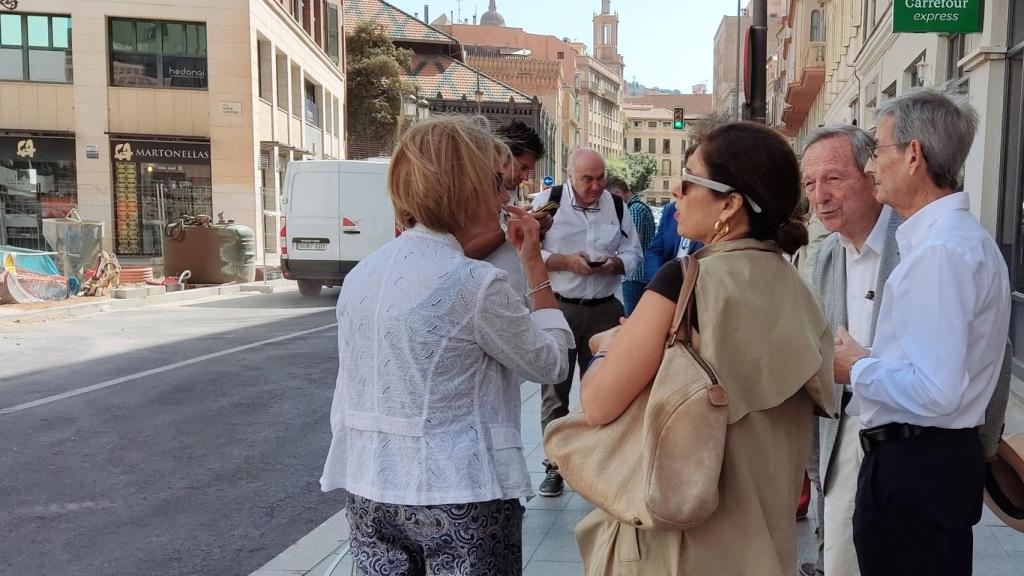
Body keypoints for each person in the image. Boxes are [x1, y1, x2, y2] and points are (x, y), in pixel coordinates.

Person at [576, 122, 835, 575]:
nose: (676, 188)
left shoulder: (685, 283)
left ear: (730, 204)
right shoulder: (800, 292)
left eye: (690, 178)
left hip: (679, 546)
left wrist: (607, 347)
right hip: (764, 550)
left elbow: (597, 404)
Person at [320, 116, 574, 575]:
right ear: (469, 188)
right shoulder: (474, 283)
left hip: (370, 486)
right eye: (498, 182)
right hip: (461, 491)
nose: (507, 195)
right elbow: (552, 363)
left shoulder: (362, 275)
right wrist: (534, 265)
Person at [833, 89, 1011, 576]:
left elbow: (936, 391)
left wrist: (857, 367)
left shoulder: (942, 252)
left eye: (877, 149)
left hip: (915, 469)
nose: (870, 166)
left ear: (913, 155)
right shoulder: (951, 242)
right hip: (926, 466)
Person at [801, 125, 900, 576]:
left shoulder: (918, 244)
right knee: (841, 558)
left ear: (871, 176)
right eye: (809, 183)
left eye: (833, 179)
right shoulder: (823, 258)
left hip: (914, 441)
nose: (819, 196)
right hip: (846, 431)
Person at [531, 148, 642, 497]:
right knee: (556, 392)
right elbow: (525, 248)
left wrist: (614, 264)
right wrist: (564, 261)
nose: (596, 186)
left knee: (607, 390)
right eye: (587, 179)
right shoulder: (550, 201)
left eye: (600, 178)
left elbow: (635, 255)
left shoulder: (618, 206)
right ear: (570, 176)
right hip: (562, 308)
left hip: (606, 310)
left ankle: (602, 466)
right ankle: (554, 467)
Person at [463, 120, 552, 296]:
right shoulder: (473, 195)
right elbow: (462, 251)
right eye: (522, 167)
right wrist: (508, 230)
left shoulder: (513, 193)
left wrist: (535, 229)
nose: (525, 177)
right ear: (502, 157)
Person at [644, 144, 703, 283]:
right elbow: (654, 252)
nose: (676, 190)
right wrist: (660, 284)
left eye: (693, 179)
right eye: (685, 175)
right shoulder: (669, 210)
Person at [606, 175, 654, 316]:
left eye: (610, 198)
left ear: (618, 194)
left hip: (634, 275)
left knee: (630, 319)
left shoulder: (634, 210)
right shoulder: (641, 207)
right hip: (640, 274)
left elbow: (634, 242)